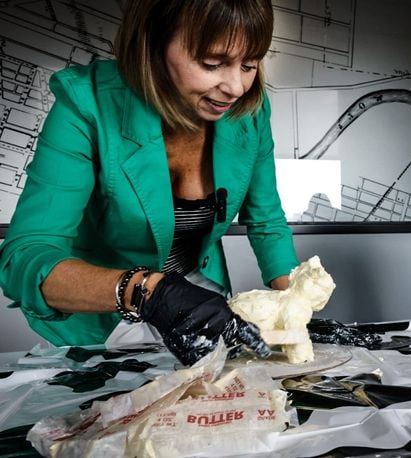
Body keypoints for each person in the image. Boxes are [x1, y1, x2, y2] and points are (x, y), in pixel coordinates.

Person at [0, 0, 298, 365]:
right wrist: (149, 292)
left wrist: (295, 311)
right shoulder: (85, 102)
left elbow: (267, 221)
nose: (236, 87)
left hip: (200, 300)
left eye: (250, 64)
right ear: (153, 44)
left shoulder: (250, 110)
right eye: (212, 63)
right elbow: (25, 258)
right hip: (102, 321)